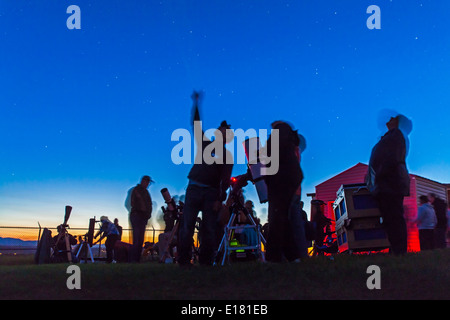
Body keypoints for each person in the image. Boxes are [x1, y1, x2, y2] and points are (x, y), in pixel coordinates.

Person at [177, 91, 234, 267]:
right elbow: (195, 125)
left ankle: (206, 262)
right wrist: (195, 104)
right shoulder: (205, 144)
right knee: (187, 228)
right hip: (194, 189)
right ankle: (184, 262)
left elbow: (225, 180)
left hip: (210, 194)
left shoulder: (227, 156)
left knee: (209, 229)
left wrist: (219, 198)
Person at [366, 112, 412, 255]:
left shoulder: (396, 136)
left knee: (394, 217)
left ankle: (399, 250)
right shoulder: (390, 137)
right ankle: (395, 248)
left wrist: (379, 175)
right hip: (386, 183)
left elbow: (391, 158)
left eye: (392, 119)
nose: (388, 120)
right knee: (389, 218)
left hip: (391, 183)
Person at [264, 121, 305, 262]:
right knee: (284, 220)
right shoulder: (286, 140)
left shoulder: (280, 133)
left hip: (282, 182)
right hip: (288, 182)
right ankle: (293, 256)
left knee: (278, 219)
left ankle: (274, 258)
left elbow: (270, 162)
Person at [129, 175, 153, 262]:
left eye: (148, 182)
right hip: (137, 215)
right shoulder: (136, 190)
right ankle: (134, 259)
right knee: (137, 238)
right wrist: (143, 211)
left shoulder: (146, 192)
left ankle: (136, 259)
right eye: (147, 182)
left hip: (142, 217)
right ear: (143, 181)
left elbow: (149, 205)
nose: (148, 184)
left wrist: (147, 215)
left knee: (140, 239)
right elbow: (135, 203)